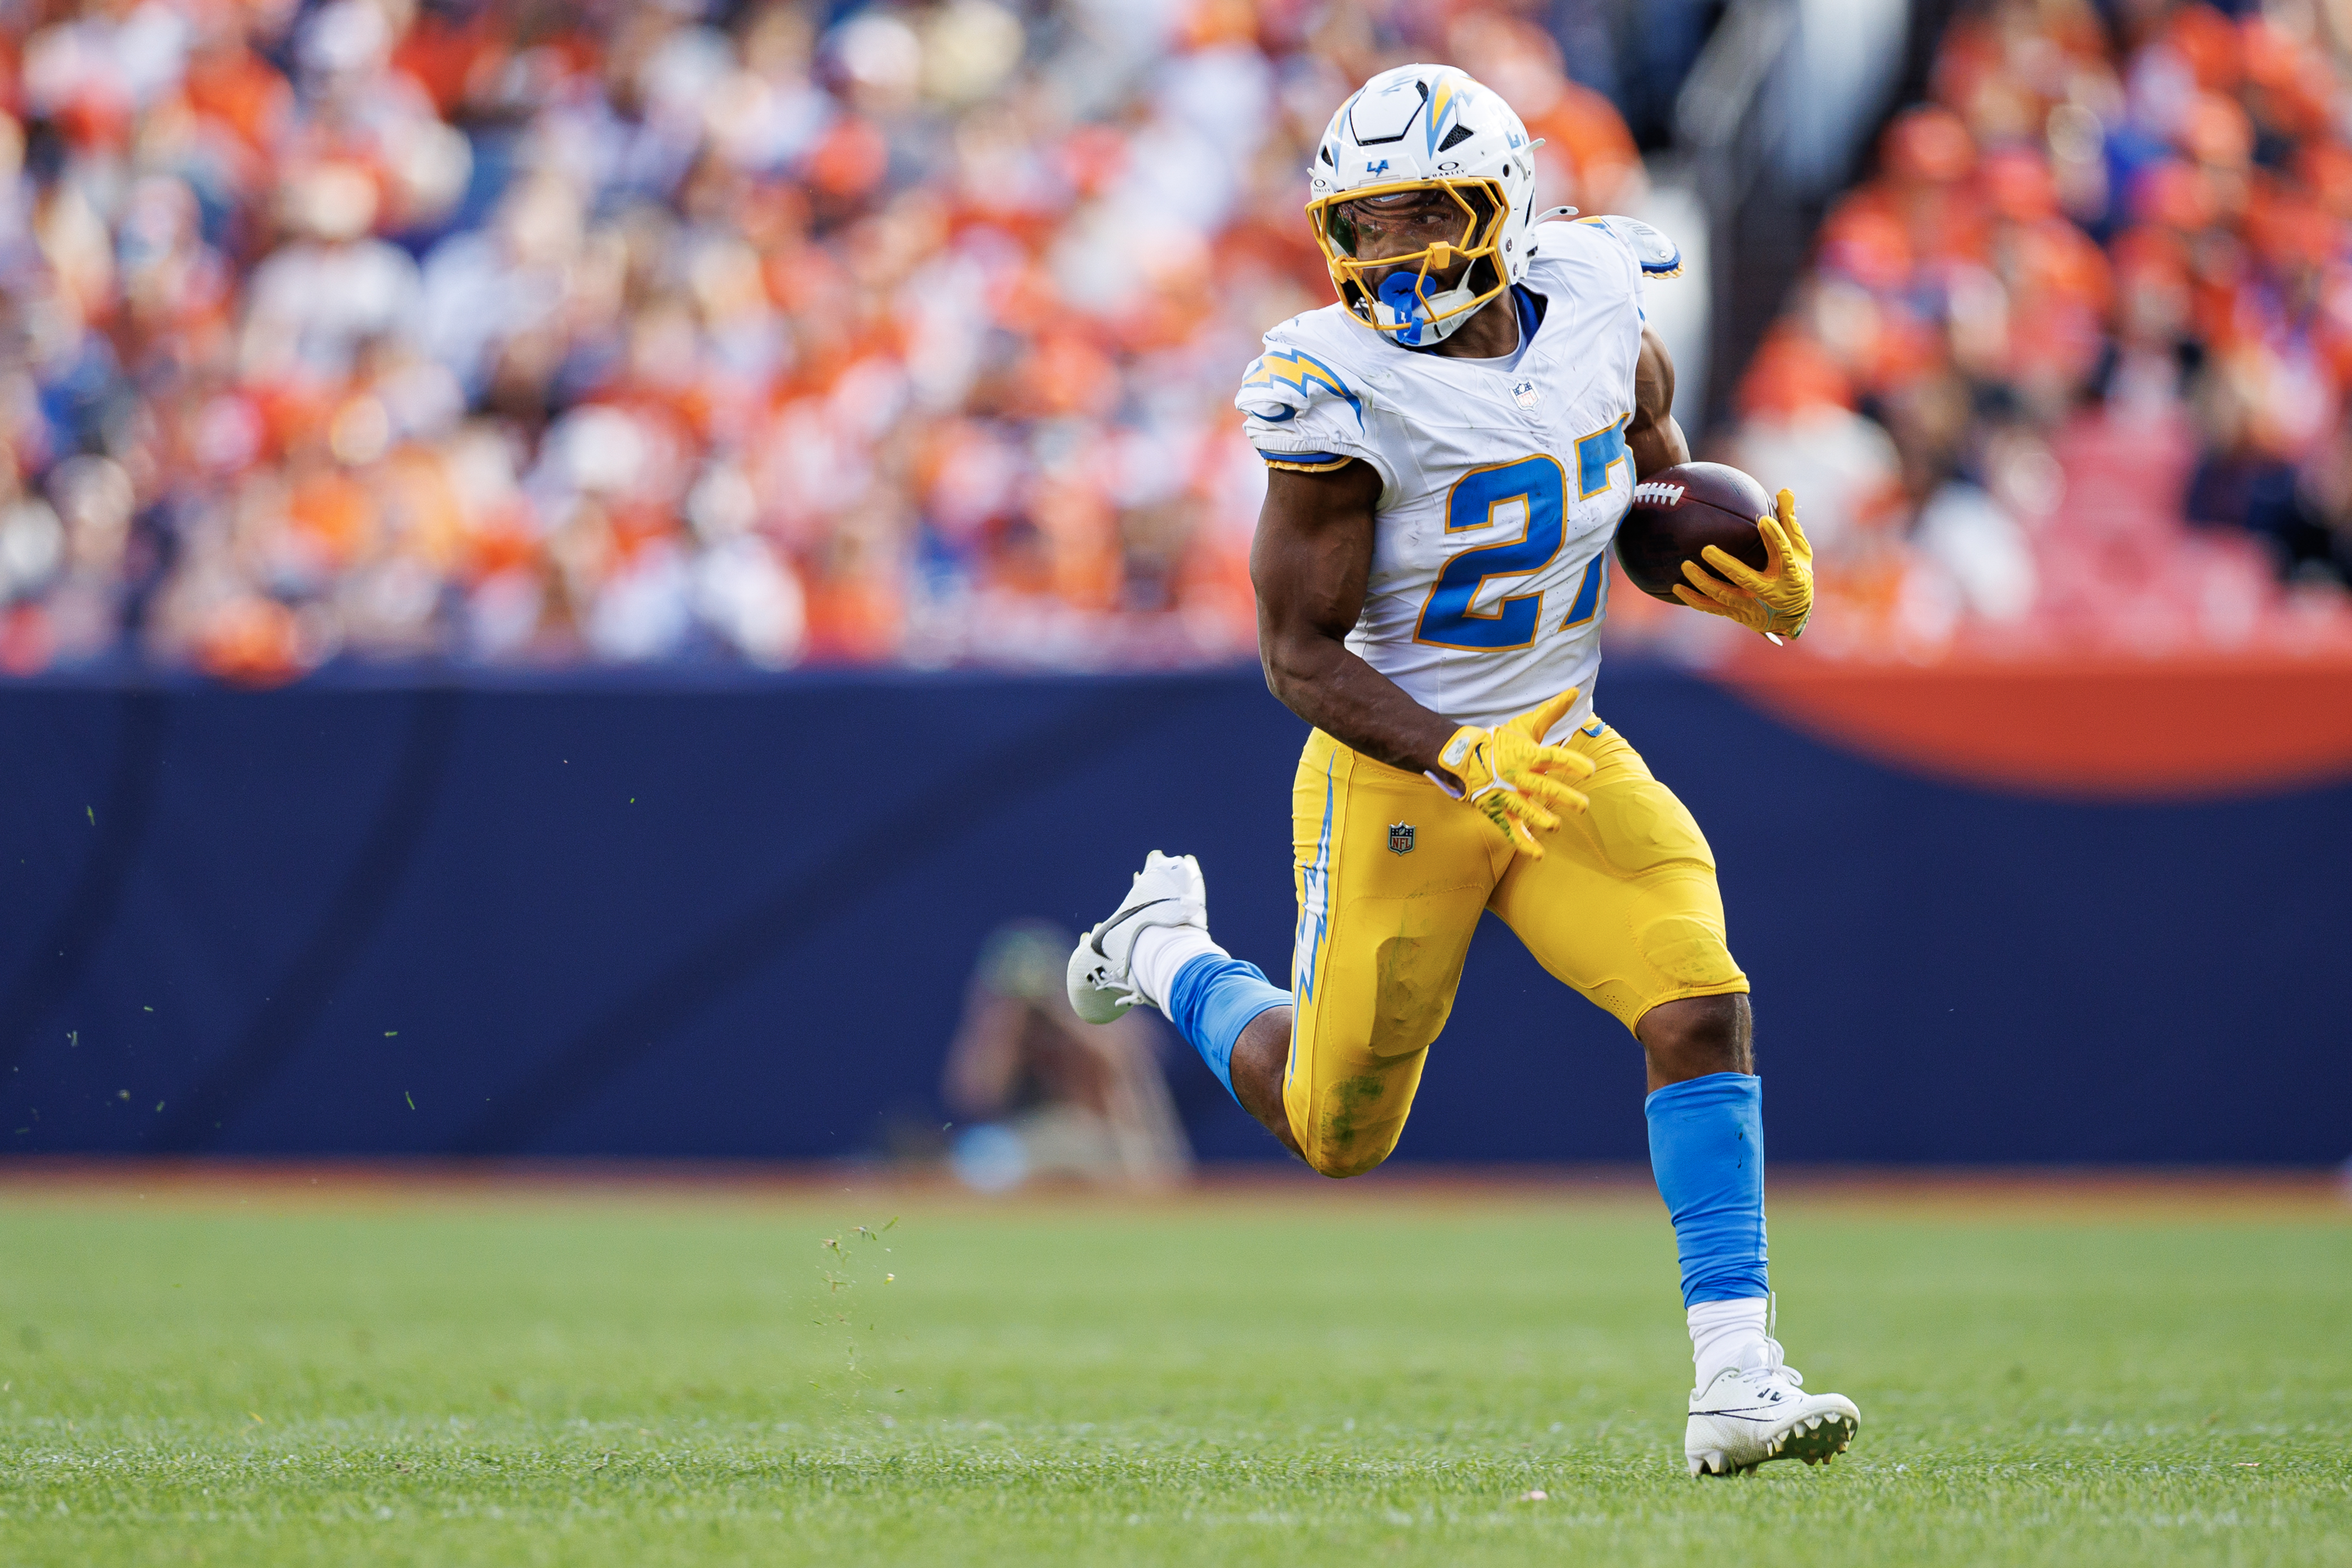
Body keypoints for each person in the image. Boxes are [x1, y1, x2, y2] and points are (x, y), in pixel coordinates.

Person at [1063, 64, 1857, 1477]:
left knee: (1696, 1001)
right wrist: (1449, 751)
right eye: (1363, 229)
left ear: (1502, 208)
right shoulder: (1329, 389)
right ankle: (1171, 951)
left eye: (1421, 217)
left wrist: (1742, 585)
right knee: (1334, 1128)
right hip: (1402, 778)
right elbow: (1297, 656)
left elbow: (1646, 494)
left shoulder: (1605, 298)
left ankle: (1737, 1373)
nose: (1391, 256)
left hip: (1553, 751)